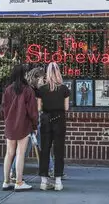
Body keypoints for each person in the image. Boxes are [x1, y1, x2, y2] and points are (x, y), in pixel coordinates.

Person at [9, 67, 54, 182]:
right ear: (35, 78)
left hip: (34, 123)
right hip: (31, 124)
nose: (44, 81)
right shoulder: (30, 91)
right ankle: (14, 172)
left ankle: (51, 169)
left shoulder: (34, 90)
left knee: (41, 146)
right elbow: (32, 110)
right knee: (27, 149)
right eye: (42, 79)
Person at [1, 64, 38, 191]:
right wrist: (34, 126)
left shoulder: (7, 89)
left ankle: (6, 181)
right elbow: (33, 111)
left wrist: (6, 121)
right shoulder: (28, 90)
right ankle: (19, 182)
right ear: (24, 75)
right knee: (20, 153)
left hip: (10, 124)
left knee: (9, 153)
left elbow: (4, 108)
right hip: (23, 125)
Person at [37, 62, 70, 191]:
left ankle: (43, 181)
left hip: (45, 119)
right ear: (58, 72)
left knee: (44, 149)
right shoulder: (64, 89)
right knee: (59, 150)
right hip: (59, 120)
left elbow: (39, 108)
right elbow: (66, 108)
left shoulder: (42, 89)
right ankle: (57, 181)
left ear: (47, 73)